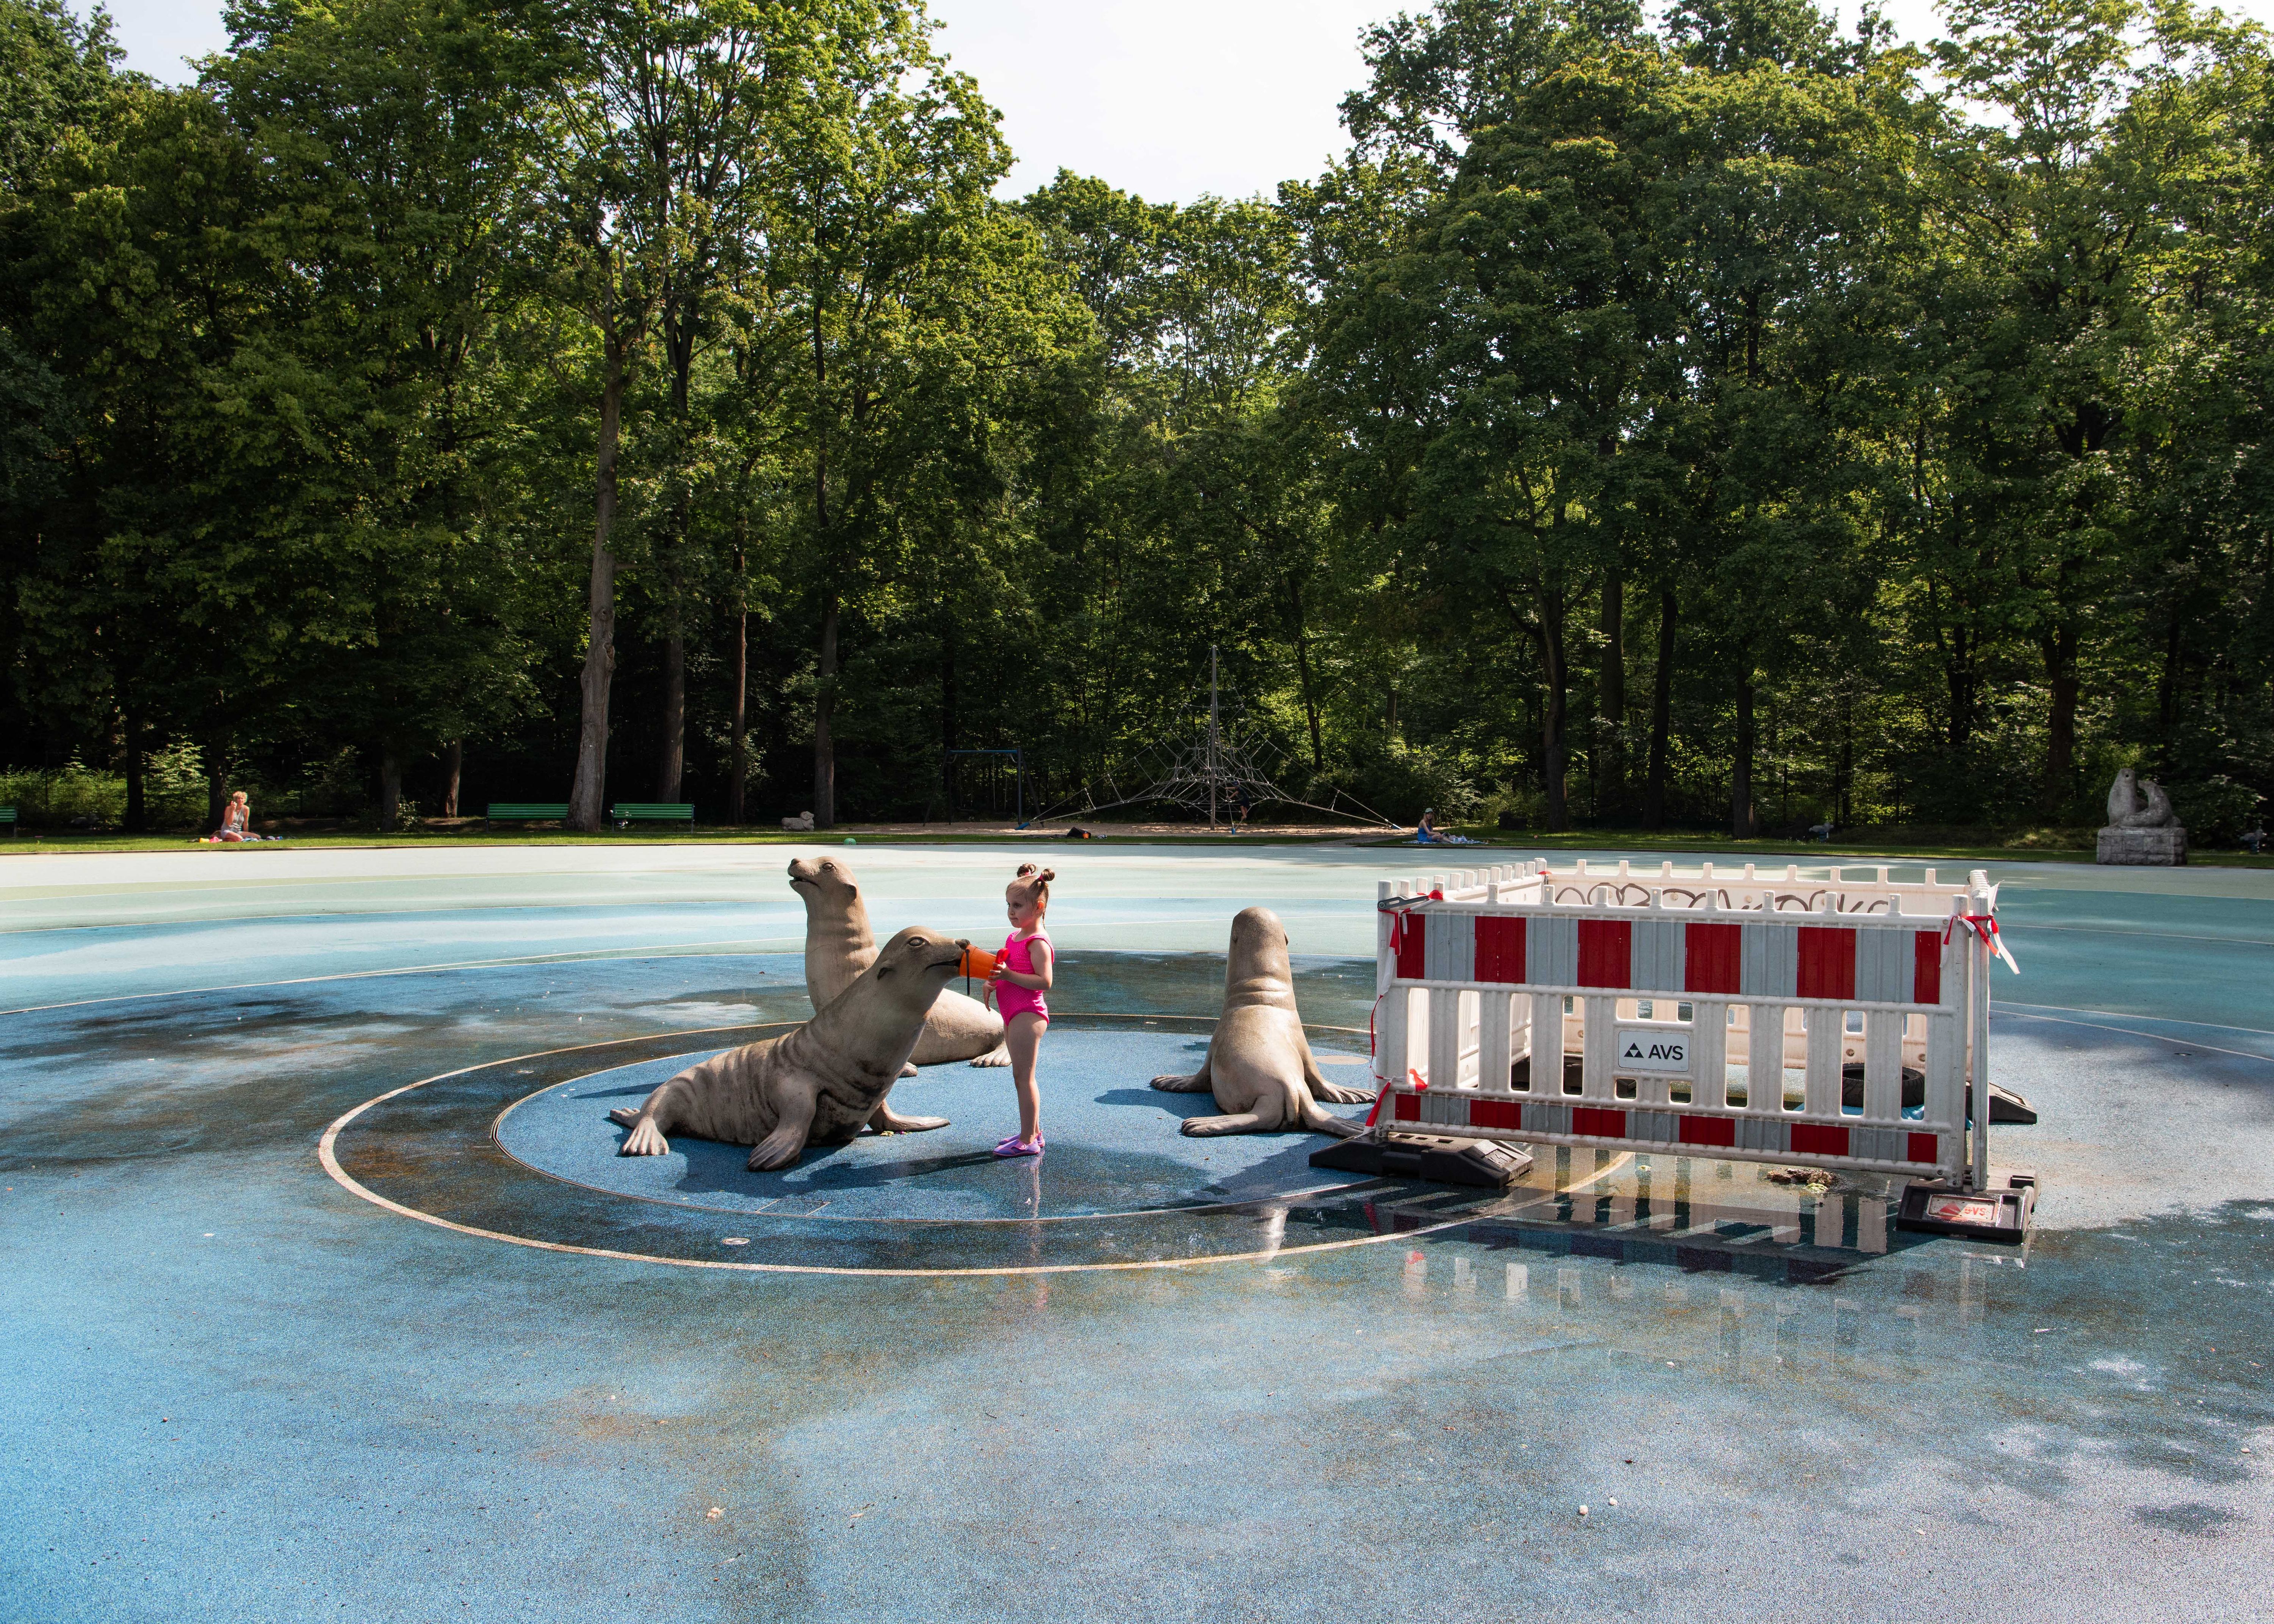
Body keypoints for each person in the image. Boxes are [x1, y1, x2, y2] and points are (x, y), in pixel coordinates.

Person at [984, 862, 1055, 1158]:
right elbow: (1007, 969)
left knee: (1024, 1078)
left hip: (1029, 1013)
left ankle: (1028, 1140)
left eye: (1018, 906)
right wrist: (994, 983)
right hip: (1013, 1011)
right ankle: (1033, 1132)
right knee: (1019, 1077)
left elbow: (1045, 982)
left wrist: (1008, 978)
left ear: (1039, 907)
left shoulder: (1038, 942)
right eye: (1009, 906)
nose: (1012, 912)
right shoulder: (1014, 938)